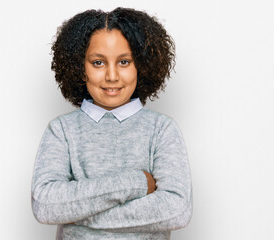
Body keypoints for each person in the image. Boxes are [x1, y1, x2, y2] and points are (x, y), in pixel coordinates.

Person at [31, 7, 192, 240]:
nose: (112, 76)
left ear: (142, 65)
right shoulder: (61, 131)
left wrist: (77, 214)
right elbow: (46, 205)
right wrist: (137, 182)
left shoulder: (162, 130)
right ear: (80, 67)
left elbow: (176, 209)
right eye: (98, 63)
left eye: (124, 61)